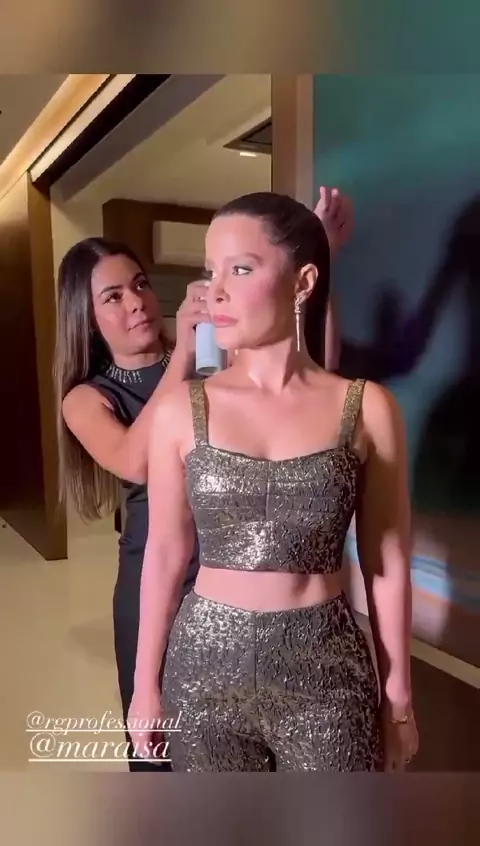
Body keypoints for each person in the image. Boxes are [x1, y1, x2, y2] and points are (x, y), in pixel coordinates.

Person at [55, 188, 352, 772]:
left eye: (140, 284)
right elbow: (137, 461)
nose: (137, 303)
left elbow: (313, 369)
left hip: (235, 571)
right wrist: (185, 358)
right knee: (162, 748)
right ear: (86, 318)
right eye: (113, 296)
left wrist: (309, 266)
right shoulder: (87, 398)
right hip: (155, 575)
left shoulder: (216, 358)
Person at [129, 191, 418, 772]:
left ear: (302, 282)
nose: (215, 291)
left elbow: (386, 561)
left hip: (327, 673)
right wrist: (144, 685)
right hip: (203, 670)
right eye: (211, 271)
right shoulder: (181, 410)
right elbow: (164, 552)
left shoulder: (367, 408)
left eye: (240, 269)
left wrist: (398, 694)